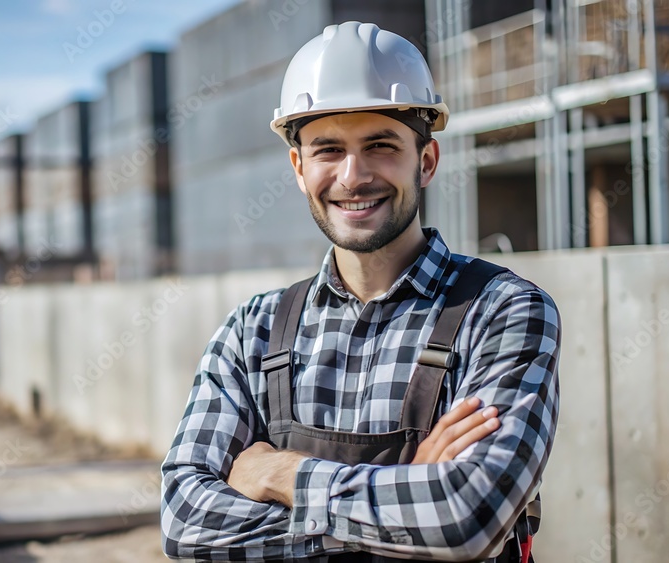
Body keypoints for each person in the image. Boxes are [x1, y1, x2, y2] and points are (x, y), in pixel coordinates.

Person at [161, 21, 560, 562]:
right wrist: (405, 492)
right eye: (328, 149)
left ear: (426, 161)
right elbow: (186, 523)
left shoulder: (504, 313)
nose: (353, 176)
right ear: (299, 167)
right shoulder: (253, 331)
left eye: (380, 145)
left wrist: (284, 472)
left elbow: (468, 518)